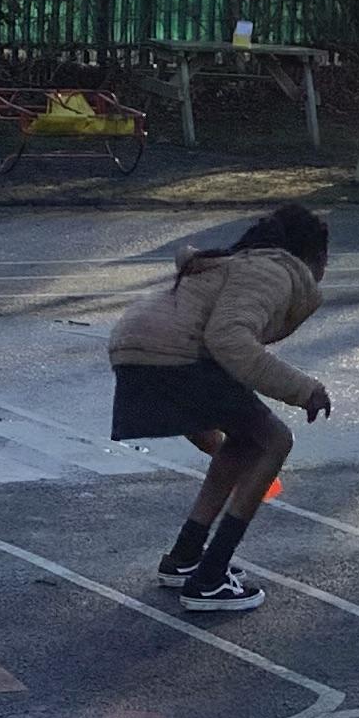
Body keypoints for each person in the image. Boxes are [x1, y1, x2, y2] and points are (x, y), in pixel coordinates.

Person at [107, 203, 332, 612]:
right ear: (314, 256)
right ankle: (210, 578)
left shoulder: (239, 264)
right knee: (273, 440)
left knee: (245, 440)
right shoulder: (274, 271)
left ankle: (185, 557)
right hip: (176, 354)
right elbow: (228, 337)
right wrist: (304, 390)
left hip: (137, 346)